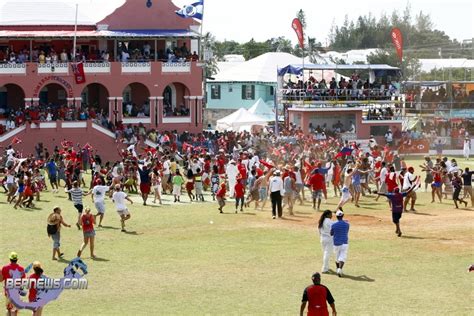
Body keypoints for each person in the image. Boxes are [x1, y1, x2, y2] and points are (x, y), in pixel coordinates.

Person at [330, 210, 349, 277]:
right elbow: (346, 231)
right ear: (342, 216)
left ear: (337, 216)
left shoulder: (334, 225)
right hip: (344, 242)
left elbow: (331, 233)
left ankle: (338, 269)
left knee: (337, 257)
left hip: (336, 243)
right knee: (343, 257)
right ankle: (340, 269)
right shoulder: (347, 224)